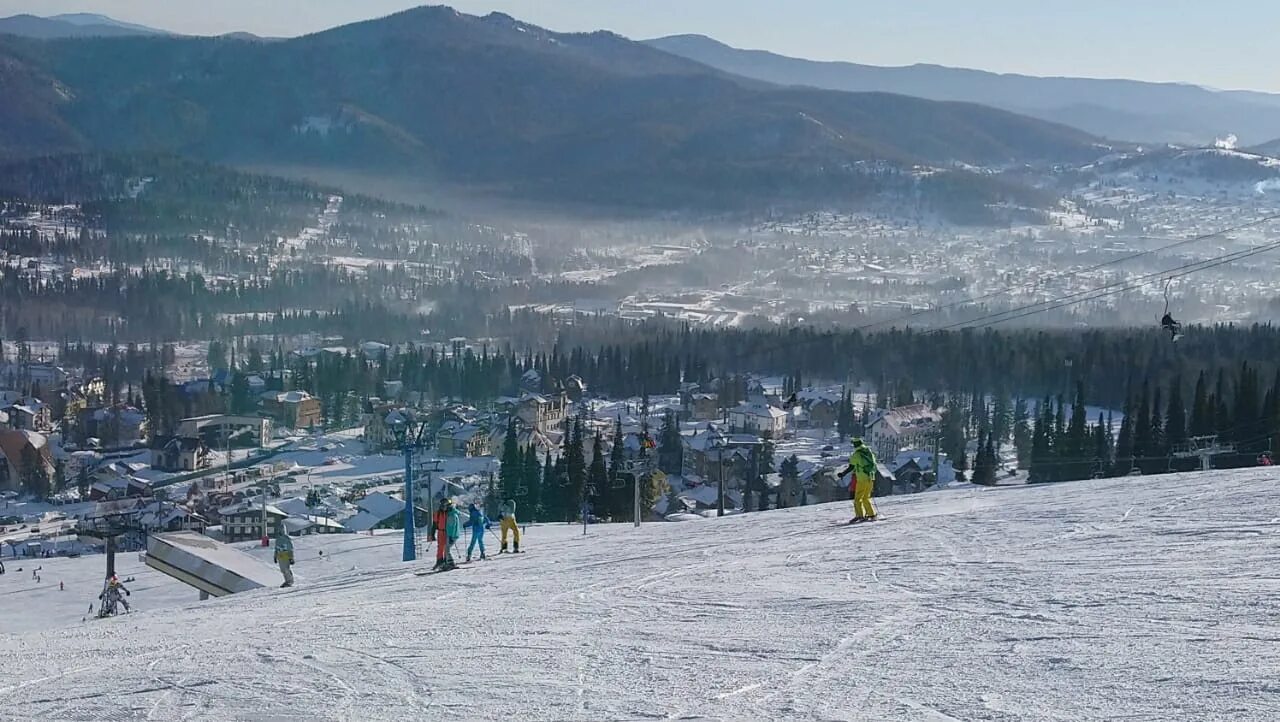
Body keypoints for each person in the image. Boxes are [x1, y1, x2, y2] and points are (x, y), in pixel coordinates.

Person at [836, 438, 878, 522]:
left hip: (862, 479)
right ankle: (871, 514)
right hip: (871, 477)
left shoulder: (856, 454)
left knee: (857, 499)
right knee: (866, 497)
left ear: (855, 445)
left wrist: (842, 474)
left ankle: (859, 515)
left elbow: (851, 466)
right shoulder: (869, 452)